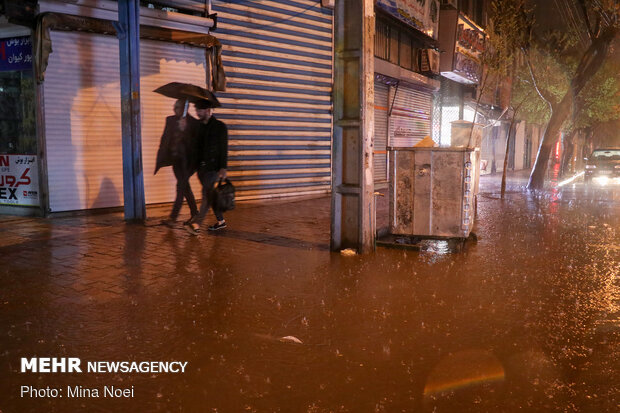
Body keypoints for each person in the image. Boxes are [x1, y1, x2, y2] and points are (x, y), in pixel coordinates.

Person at [185, 99, 228, 234]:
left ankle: (197, 224)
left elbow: (223, 148)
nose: (197, 112)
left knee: (206, 195)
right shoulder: (197, 126)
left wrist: (223, 167)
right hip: (200, 168)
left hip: (213, 167)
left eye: (200, 110)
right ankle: (221, 221)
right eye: (197, 110)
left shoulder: (220, 126)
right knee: (210, 195)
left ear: (208, 111)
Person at [155, 99, 199, 227]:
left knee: (180, 187)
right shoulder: (170, 120)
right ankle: (195, 213)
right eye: (174, 107)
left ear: (185, 108)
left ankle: (173, 218)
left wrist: (185, 130)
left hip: (188, 162)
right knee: (184, 187)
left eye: (177, 107)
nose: (174, 109)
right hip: (176, 160)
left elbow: (196, 145)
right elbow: (165, 139)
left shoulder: (193, 124)